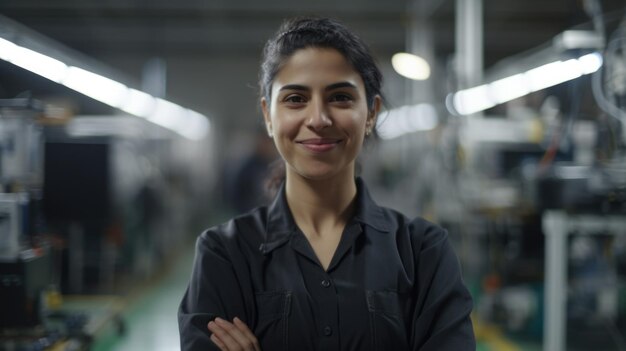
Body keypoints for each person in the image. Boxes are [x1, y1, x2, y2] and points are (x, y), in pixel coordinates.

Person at [178, 17, 475, 351]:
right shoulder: (225, 255)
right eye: (295, 99)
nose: (318, 119)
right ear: (268, 116)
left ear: (371, 113)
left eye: (340, 97)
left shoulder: (423, 253)